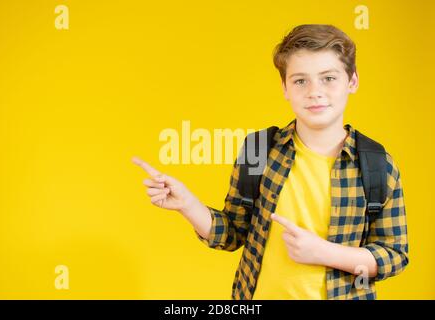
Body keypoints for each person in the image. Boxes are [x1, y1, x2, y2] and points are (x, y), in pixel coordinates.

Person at [133, 24, 409, 300]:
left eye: (328, 78)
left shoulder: (377, 165)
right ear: (285, 88)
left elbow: (394, 255)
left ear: (352, 81)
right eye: (300, 81)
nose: (314, 91)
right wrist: (188, 204)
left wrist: (324, 253)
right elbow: (232, 234)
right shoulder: (258, 149)